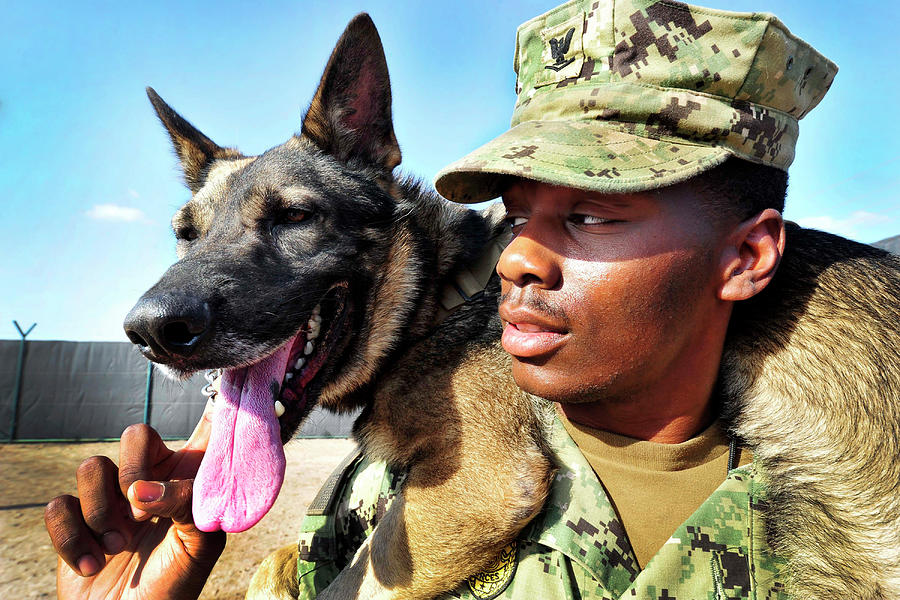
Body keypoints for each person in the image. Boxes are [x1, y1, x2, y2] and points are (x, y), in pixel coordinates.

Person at [44, 0, 850, 598]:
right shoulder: (365, 488)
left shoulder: (846, 522)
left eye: (592, 213)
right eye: (517, 213)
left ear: (748, 255)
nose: (516, 255)